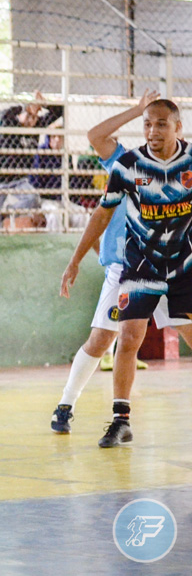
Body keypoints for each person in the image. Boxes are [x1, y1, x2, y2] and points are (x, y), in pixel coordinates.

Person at [62, 99, 192, 448]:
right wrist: (74, 260)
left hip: (183, 267)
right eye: (148, 123)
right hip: (140, 266)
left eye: (162, 124)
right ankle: (121, 420)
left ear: (178, 127)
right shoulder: (128, 164)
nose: (153, 131)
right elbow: (102, 215)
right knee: (128, 337)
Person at [0, 91, 63, 229]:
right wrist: (27, 106)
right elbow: (7, 112)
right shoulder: (10, 124)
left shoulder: (36, 127)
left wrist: (43, 104)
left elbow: (59, 111)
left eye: (34, 117)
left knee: (32, 198)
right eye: (28, 116)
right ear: (19, 116)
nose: (31, 120)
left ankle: (9, 212)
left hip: (17, 179)